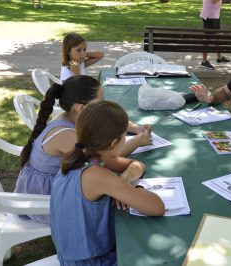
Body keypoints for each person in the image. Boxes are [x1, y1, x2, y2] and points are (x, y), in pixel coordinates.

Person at [15, 75, 151, 224]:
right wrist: (137, 142)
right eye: (100, 102)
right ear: (81, 108)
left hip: (55, 187)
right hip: (44, 200)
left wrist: (135, 128)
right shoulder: (67, 136)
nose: (104, 105)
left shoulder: (72, 117)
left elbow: (111, 122)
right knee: (119, 206)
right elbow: (109, 157)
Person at [50, 100, 165, 265]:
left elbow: (137, 165)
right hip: (93, 261)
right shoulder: (96, 174)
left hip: (73, 255)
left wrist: (124, 179)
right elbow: (157, 207)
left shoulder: (79, 157)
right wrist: (135, 188)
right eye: (125, 136)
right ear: (114, 143)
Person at [200, 0, 231, 70]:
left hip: (214, 15)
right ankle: (204, 61)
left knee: (218, 36)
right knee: (206, 38)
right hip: (209, 15)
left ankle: (219, 57)